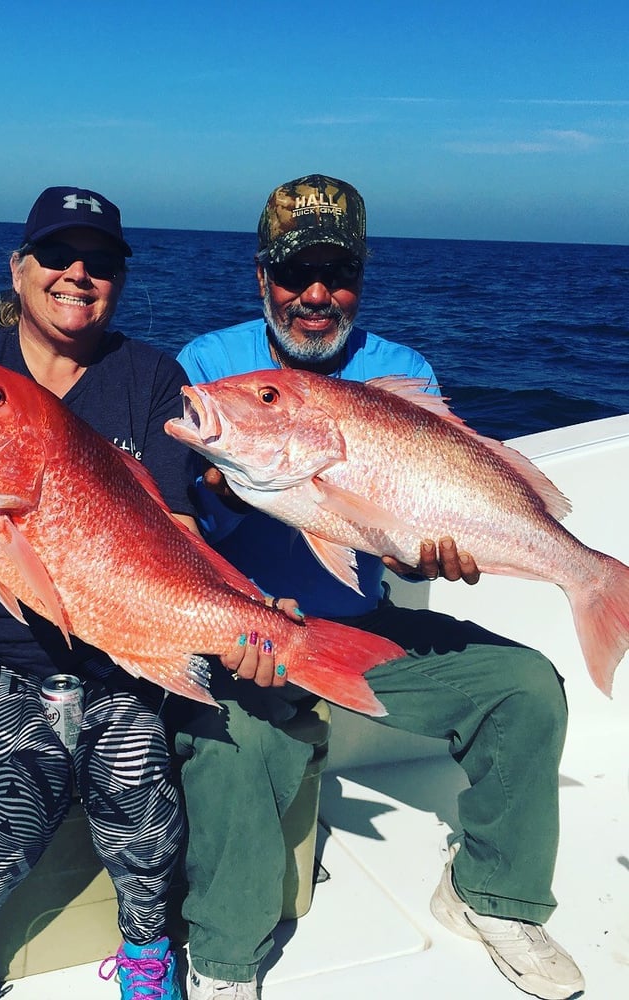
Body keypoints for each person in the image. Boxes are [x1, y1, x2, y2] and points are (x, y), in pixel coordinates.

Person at [171, 174, 585, 1000]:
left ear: (362, 277)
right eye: (294, 274)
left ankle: (491, 897)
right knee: (230, 745)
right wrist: (219, 505)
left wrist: (424, 559)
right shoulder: (210, 366)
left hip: (369, 628)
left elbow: (393, 534)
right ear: (262, 279)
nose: (315, 295)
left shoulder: (402, 373)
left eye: (338, 273)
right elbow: (176, 533)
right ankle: (225, 959)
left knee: (526, 689)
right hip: (246, 635)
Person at [0, 186, 214, 1000]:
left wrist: (232, 613)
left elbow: (173, 529)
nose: (77, 274)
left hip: (107, 648)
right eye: (57, 256)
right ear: (18, 270)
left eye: (99, 262)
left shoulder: (149, 377)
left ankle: (146, 954)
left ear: (119, 280)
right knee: (25, 781)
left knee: (144, 784)